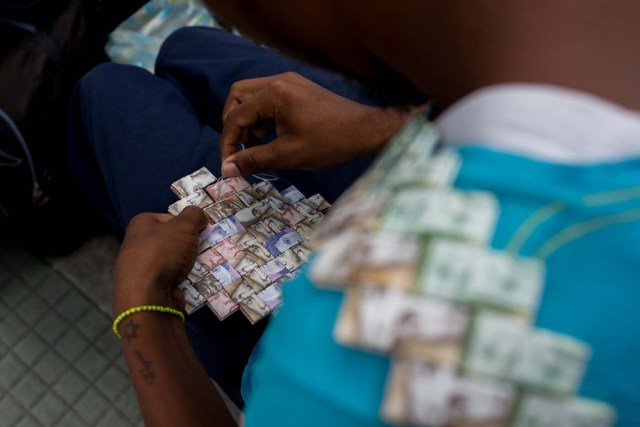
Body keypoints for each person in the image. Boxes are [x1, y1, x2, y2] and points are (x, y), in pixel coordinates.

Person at [69, 1, 640, 426]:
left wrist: (144, 308)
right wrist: (379, 126)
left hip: (275, 317)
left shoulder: (336, 375)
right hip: (389, 145)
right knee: (190, 47)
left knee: (108, 92)